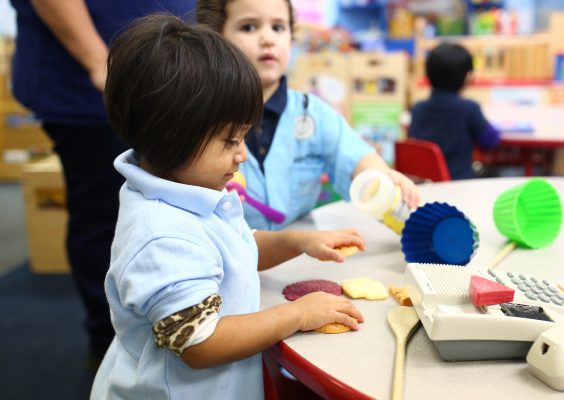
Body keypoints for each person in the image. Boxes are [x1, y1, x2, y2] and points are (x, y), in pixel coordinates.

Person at [91, 14, 365, 399]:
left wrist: (297, 242)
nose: (241, 156)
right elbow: (201, 343)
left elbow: (235, 252)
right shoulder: (160, 235)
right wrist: (298, 314)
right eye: (230, 141)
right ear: (174, 134)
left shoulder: (190, 187)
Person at [10, 0, 195, 365]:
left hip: (173, 80)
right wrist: (101, 63)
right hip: (100, 85)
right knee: (107, 219)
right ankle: (116, 348)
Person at [196, 0, 421, 231]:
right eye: (249, 27)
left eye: (278, 27)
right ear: (217, 37)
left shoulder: (314, 113)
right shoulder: (198, 114)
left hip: (300, 257)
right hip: (223, 258)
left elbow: (356, 158)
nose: (268, 39)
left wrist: (381, 178)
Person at [408, 42, 500, 180]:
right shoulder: (469, 108)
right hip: (459, 182)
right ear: (468, 78)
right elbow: (490, 141)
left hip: (425, 182)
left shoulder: (417, 109)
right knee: (495, 172)